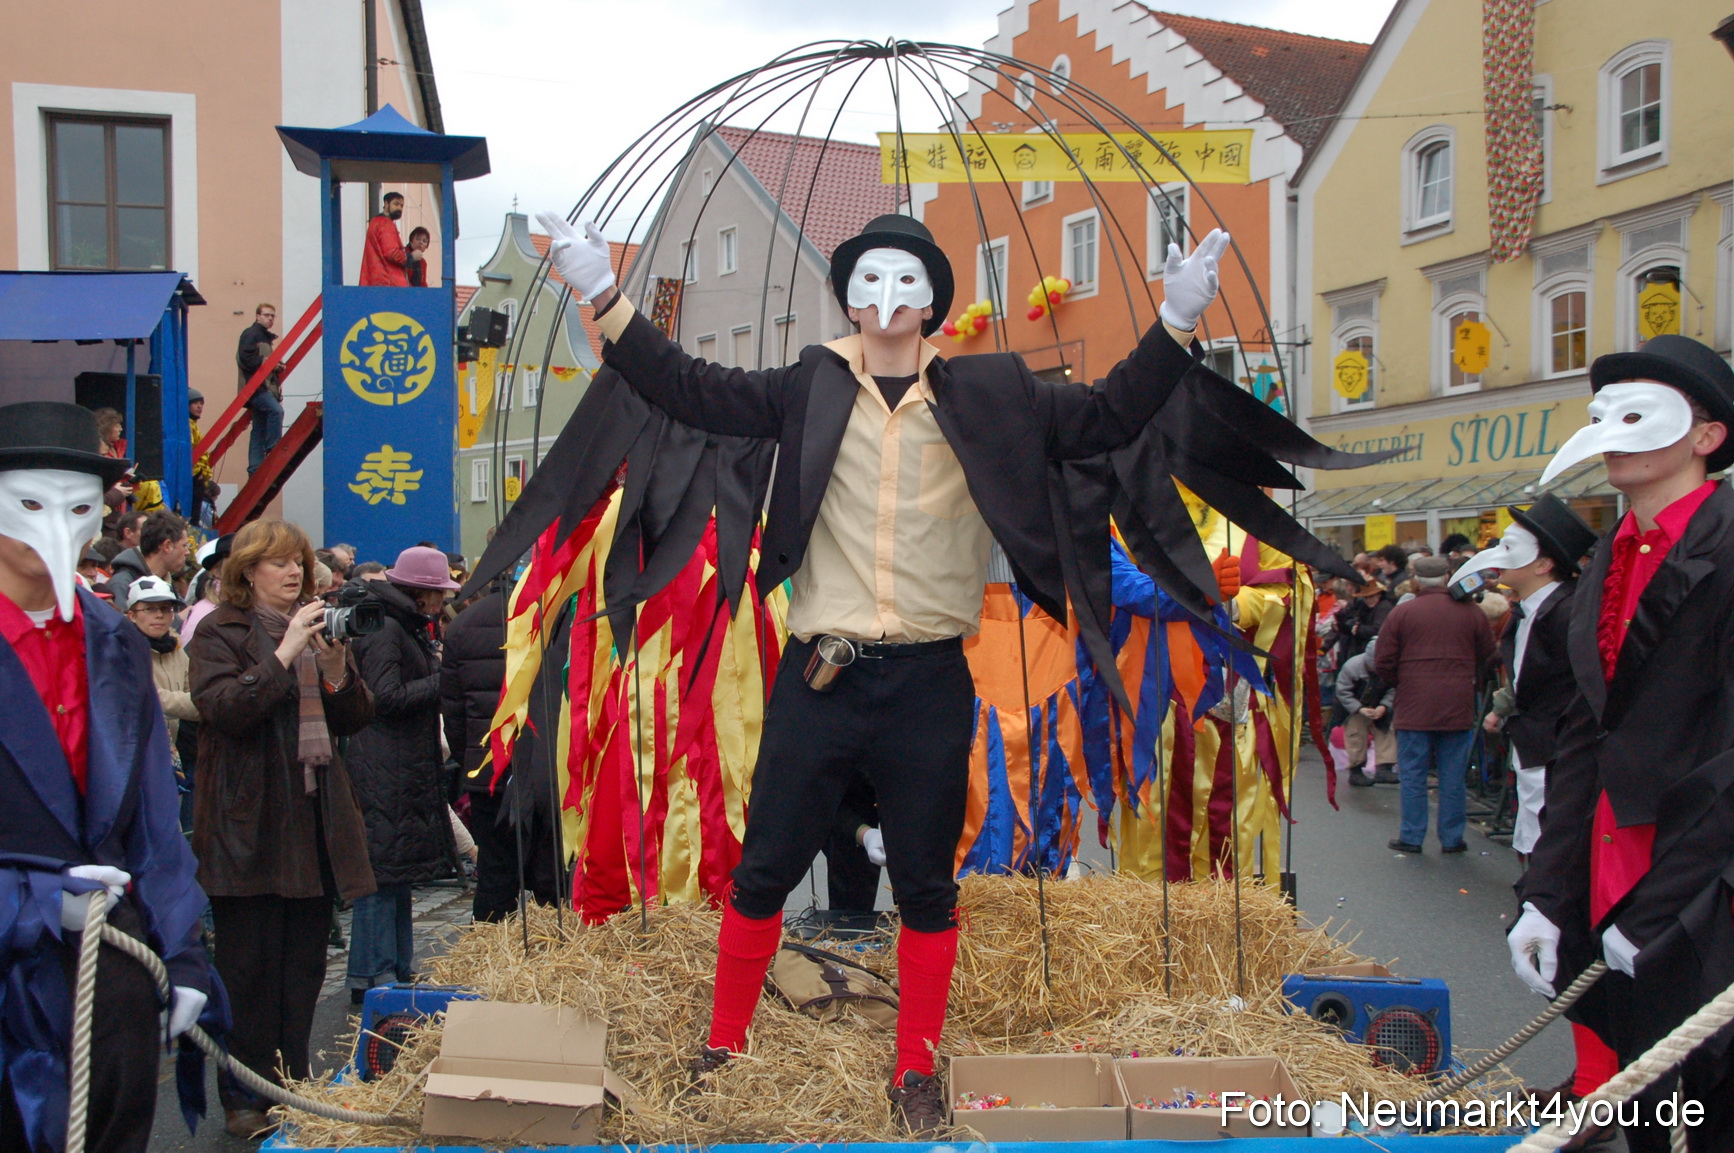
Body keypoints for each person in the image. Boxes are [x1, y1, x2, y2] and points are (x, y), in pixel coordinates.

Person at [539, 209, 1233, 1133]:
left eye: (907, 281)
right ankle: (725, 1041)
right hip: (819, 671)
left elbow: (1107, 413)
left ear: (934, 300)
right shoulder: (809, 385)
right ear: (849, 295)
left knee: (924, 883)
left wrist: (1177, 324)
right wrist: (605, 297)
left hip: (927, 680)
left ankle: (913, 1066)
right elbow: (691, 388)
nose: (887, 298)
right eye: (869, 279)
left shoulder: (992, 392)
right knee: (765, 869)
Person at [1511, 336, 1734, 1149]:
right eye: (1601, 413)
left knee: (1713, 1109)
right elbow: (1585, 732)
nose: (1611, 431)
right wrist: (1546, 890)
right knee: (1646, 1102)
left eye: (1637, 413)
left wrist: (1666, 903)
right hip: (1611, 875)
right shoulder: (1608, 555)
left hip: (1704, 886)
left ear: (1706, 436)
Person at [0, 402, 215, 1153]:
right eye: (29, 503)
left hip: (109, 983)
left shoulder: (116, 648)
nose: (54, 528)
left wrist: (182, 951)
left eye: (78, 506)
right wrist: (26, 897)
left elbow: (156, 820)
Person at [188, 519, 374, 1139]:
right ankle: (244, 1094)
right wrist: (286, 652)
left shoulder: (315, 624)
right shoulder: (220, 630)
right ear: (246, 572)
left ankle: (293, 1086)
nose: (294, 574)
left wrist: (336, 665)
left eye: (298, 563)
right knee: (246, 972)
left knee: (302, 971)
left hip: (312, 818)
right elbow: (226, 711)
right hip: (246, 826)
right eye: (277, 564)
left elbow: (353, 718)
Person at [342, 546, 459, 1002]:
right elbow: (385, 697)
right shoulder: (388, 630)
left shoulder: (394, 624)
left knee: (395, 872)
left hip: (395, 761)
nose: (441, 603)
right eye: (437, 595)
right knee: (382, 874)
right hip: (384, 762)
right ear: (421, 594)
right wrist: (442, 678)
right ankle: (374, 976)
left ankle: (394, 970)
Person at [1457, 497, 1594, 859]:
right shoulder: (1528, 613)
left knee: (1553, 848)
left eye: (1510, 548)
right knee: (1534, 840)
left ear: (1545, 564)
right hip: (1535, 751)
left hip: (1557, 756)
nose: (1497, 557)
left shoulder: (1569, 614)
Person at [441, 581, 559, 921]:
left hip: (488, 768)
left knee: (495, 873)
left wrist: (472, 762)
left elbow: (453, 709)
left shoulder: (463, 624)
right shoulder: (553, 612)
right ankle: (556, 950)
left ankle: (491, 938)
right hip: (546, 766)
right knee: (552, 870)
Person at [1373, 554, 1495, 854]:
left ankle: (1412, 836)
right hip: (1457, 702)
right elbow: (1489, 654)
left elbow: (1383, 660)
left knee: (1413, 774)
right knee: (1452, 776)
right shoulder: (1471, 612)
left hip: (1414, 702)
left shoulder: (1404, 613)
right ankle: (1452, 838)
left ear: (1415, 578)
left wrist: (1401, 681)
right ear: (1448, 576)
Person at [126, 575, 201, 831]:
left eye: (166, 609)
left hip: (174, 754)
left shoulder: (176, 648)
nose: (159, 615)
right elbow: (150, 697)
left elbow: (198, 693)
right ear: (132, 615)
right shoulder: (124, 650)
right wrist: (203, 704)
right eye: (150, 609)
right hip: (137, 757)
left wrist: (201, 703)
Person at [1335, 636, 1396, 787]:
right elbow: (1342, 691)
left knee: (1386, 731)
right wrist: (1359, 708)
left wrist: (1384, 706)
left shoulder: (1391, 668)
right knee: (1355, 735)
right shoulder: (1352, 666)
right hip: (1355, 707)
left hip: (1379, 704)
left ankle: (1384, 767)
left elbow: (1394, 688)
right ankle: (1355, 770)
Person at [104, 509, 189, 607]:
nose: (187, 552)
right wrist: (179, 620)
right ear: (167, 546)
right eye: (184, 546)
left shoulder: (167, 582)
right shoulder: (122, 584)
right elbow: (121, 622)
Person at [237, 303, 282, 474]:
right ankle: (273, 448)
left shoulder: (262, 337)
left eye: (272, 316)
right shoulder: (252, 334)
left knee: (258, 430)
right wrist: (268, 363)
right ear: (257, 316)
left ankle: (255, 468)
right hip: (257, 388)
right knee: (276, 411)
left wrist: (276, 365)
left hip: (260, 388)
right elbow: (245, 358)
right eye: (267, 315)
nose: (270, 318)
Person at [1334, 577, 1394, 668]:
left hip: (1374, 652)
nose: (1369, 600)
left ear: (1379, 594)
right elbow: (1354, 623)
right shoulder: (1363, 607)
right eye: (1366, 597)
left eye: (1371, 596)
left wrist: (1358, 629)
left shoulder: (1383, 607)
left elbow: (1378, 630)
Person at [360, 192, 410, 288]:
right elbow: (392, 253)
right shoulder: (386, 224)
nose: (399, 208)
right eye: (396, 204)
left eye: (401, 205)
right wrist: (410, 257)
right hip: (388, 282)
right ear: (386, 204)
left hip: (374, 280)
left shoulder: (375, 222)